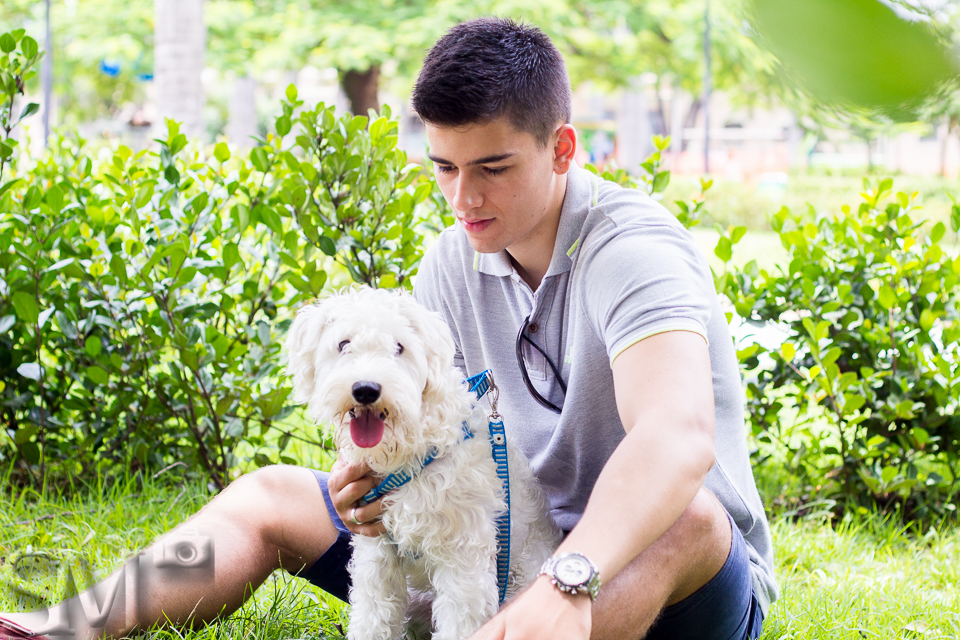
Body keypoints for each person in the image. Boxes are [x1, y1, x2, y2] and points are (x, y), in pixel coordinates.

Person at [0, 17, 776, 640]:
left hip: (665, 575)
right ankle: (61, 628)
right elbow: (440, 430)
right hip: (491, 546)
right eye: (444, 168)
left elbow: (677, 440)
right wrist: (377, 482)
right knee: (272, 491)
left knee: (694, 515)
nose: (464, 197)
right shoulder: (453, 260)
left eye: (493, 168)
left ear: (561, 147)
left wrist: (566, 577)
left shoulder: (632, 252)